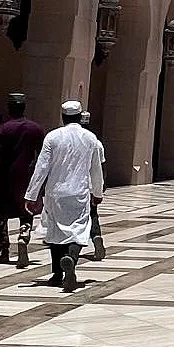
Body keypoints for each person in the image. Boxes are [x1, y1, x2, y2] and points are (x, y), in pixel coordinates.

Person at [24, 101, 104, 292]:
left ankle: (57, 273)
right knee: (78, 230)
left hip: (55, 192)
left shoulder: (53, 137)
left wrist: (31, 194)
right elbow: (96, 169)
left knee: (55, 230)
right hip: (79, 192)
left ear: (63, 116)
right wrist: (97, 192)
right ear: (79, 116)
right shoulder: (90, 138)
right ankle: (71, 260)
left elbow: (41, 167)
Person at [0, 92, 46, 268]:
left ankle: (4, 250)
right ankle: (24, 233)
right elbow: (43, 156)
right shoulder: (36, 129)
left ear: (9, 108)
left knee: (1, 214)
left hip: (5, 178)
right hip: (27, 176)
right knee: (26, 208)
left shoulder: (2, 129)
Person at [79, 111, 106, 261]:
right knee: (93, 214)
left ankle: (71, 248)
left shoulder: (72, 139)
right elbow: (103, 167)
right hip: (91, 186)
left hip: (77, 186)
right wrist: (101, 186)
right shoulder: (96, 142)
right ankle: (96, 237)